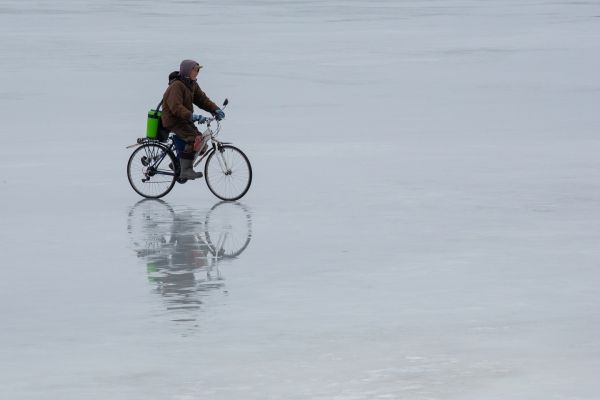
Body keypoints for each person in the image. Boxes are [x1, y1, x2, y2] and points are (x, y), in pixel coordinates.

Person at [161, 59, 226, 180]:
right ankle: (185, 170)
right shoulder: (177, 86)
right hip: (173, 119)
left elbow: (202, 100)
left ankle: (176, 163)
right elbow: (176, 107)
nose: (197, 72)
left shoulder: (192, 84)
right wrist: (192, 116)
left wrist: (216, 110)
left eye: (198, 70)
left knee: (201, 142)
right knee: (194, 139)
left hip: (183, 119)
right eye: (195, 70)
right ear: (187, 71)